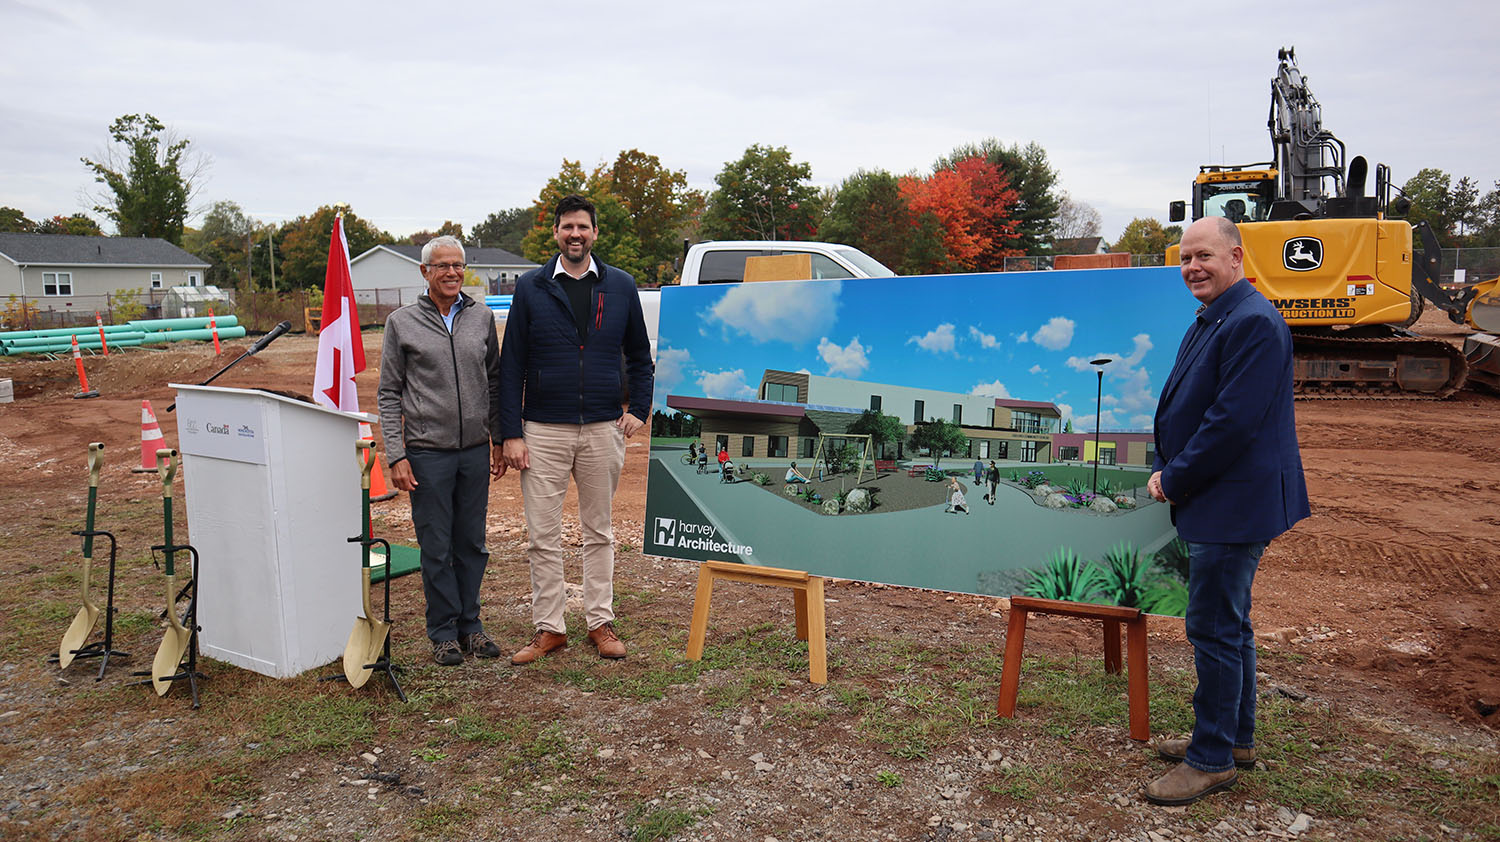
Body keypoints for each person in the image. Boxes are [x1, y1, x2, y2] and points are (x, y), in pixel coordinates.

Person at [1143, 217, 1309, 806]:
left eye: (1204, 256)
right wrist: (1165, 459)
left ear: (1236, 257)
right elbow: (1184, 405)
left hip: (1232, 503)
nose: (1193, 267)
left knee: (1212, 627)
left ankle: (1210, 759)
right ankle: (1234, 740)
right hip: (1222, 498)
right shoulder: (1217, 316)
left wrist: (1174, 478)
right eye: (1186, 258)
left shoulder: (1253, 322)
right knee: (1229, 624)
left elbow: (1230, 424)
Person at [499, 195, 654, 665]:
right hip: (543, 431)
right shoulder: (531, 287)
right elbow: (512, 364)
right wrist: (511, 432)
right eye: (567, 226)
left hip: (603, 428)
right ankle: (550, 628)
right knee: (541, 536)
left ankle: (599, 622)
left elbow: (640, 357)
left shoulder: (621, 286)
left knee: (599, 531)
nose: (575, 234)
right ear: (556, 233)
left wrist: (639, 409)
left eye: (583, 227)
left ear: (594, 233)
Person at [377, 235, 504, 666]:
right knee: (435, 546)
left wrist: (497, 439)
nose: (452, 273)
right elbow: (389, 392)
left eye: (458, 265)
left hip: (474, 451)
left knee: (472, 544)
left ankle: (471, 626)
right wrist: (396, 454)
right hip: (427, 453)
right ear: (424, 271)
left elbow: (494, 382)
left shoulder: (481, 317)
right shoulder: (402, 323)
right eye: (442, 265)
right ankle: (443, 632)